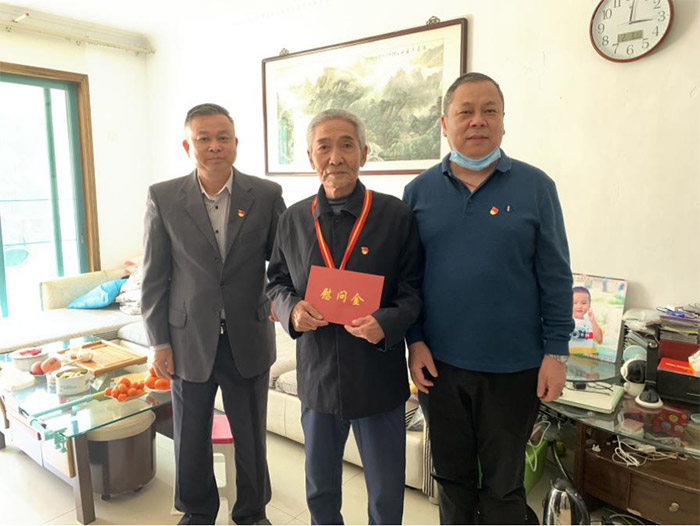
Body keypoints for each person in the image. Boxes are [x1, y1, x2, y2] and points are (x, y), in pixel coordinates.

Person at [403, 73, 574, 525]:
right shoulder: (418, 192)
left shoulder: (536, 186)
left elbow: (556, 274)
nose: (477, 120)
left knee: (503, 484)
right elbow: (409, 279)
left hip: (514, 367)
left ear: (503, 122)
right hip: (440, 367)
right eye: (466, 111)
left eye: (489, 111)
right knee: (452, 479)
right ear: (445, 124)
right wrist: (414, 341)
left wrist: (557, 352)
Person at [266, 109, 422, 525]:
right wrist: (291, 309)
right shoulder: (293, 219)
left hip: (377, 376)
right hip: (318, 377)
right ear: (310, 157)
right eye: (324, 147)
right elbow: (276, 283)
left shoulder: (395, 216)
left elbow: (413, 290)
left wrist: (386, 322)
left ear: (364, 154)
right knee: (320, 489)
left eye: (346, 145)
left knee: (385, 492)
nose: (335, 157)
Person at [141, 103, 286, 525]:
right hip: (187, 338)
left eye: (223, 137)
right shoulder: (164, 197)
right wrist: (158, 341)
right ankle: (197, 511)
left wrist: (286, 305)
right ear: (188, 146)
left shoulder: (265, 195)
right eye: (203, 138)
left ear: (235, 143)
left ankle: (252, 512)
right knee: (190, 436)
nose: (214, 146)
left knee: (251, 435)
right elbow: (155, 275)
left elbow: (282, 264)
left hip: (248, 335)